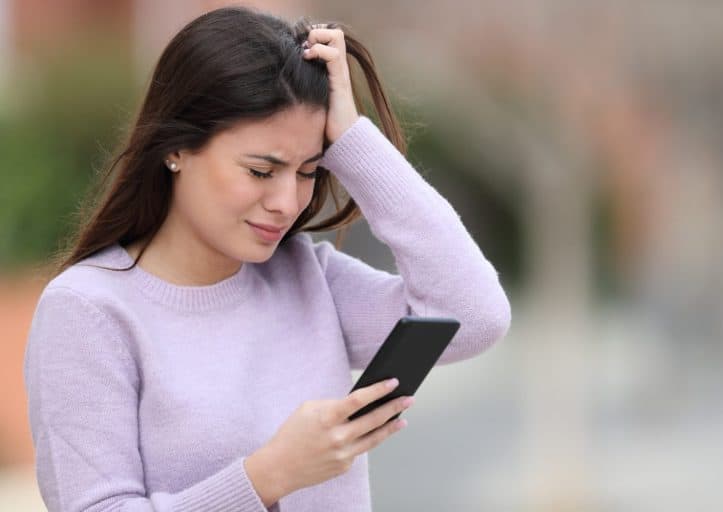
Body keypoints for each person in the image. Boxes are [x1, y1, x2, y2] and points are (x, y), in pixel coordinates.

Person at [22, 6, 511, 512]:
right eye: (261, 171)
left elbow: (474, 316)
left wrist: (354, 140)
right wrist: (269, 475)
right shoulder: (88, 311)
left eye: (308, 172)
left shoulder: (307, 277)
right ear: (175, 149)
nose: (288, 202)